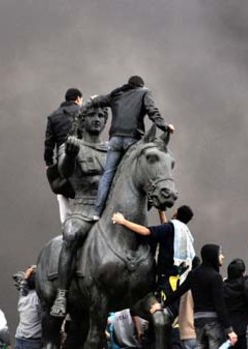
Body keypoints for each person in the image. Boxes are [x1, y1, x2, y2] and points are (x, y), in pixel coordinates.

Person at [83, 75, 175, 219]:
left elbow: (99, 100)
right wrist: (164, 126)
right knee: (140, 171)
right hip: (132, 139)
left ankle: (97, 213)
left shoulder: (118, 93)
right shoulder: (144, 92)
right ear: (140, 85)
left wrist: (90, 100)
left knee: (108, 175)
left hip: (115, 140)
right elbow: (152, 111)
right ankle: (144, 205)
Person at [50, 106, 108, 317]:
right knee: (71, 235)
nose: (97, 119)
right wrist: (70, 156)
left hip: (108, 210)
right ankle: (62, 294)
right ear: (82, 121)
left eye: (101, 116)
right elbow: (64, 171)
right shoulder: (71, 145)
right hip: (83, 207)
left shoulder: (111, 149)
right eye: (92, 115)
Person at [111, 205, 196, 315]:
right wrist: (161, 212)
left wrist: (123, 221)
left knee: (159, 309)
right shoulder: (184, 232)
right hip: (177, 279)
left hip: (165, 280)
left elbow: (146, 231)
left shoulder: (170, 228)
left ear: (176, 213)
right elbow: (165, 229)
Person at [163, 244, 238, 349]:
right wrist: (229, 330)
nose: (222, 257)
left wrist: (162, 304)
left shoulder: (193, 274)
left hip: (198, 321)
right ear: (213, 256)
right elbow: (220, 305)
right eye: (219, 254)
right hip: (213, 322)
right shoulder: (215, 276)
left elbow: (178, 292)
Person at [44, 87, 83, 223]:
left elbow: (49, 143)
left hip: (63, 157)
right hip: (84, 152)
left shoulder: (53, 116)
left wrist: (49, 164)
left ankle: (66, 223)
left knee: (61, 192)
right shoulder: (83, 111)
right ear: (78, 99)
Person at [223, 258, 248, 349]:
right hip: (244, 328)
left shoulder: (223, 287)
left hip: (229, 329)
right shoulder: (246, 285)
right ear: (242, 273)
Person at [15, 266, 42, 349]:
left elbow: (23, 285)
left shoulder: (23, 295)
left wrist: (27, 276)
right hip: (32, 341)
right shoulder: (38, 298)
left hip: (19, 338)